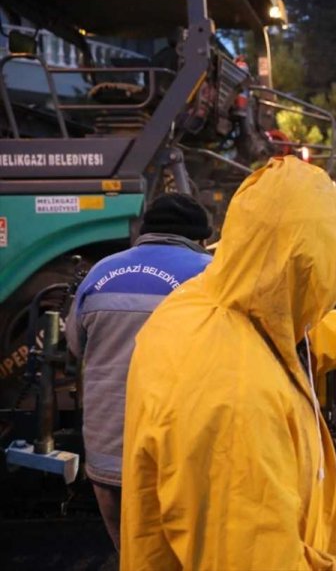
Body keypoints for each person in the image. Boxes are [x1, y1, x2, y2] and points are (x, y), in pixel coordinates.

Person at [120, 157, 336, 570]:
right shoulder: (235, 399)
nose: (323, 302)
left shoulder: (204, 303)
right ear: (300, 273)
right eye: (324, 286)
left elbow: (290, 332)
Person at [65, 192, 214, 551]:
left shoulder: (100, 271)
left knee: (129, 552)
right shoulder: (209, 274)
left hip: (107, 446)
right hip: (175, 447)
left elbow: (74, 345)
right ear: (200, 238)